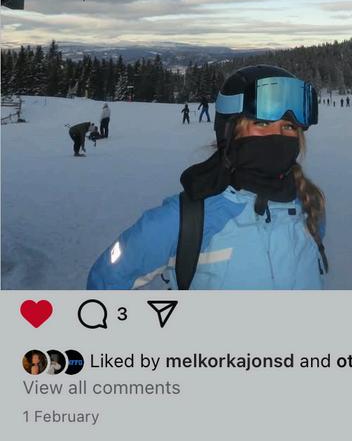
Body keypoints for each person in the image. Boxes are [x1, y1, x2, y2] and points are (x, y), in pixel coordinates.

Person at [87, 65, 327, 290]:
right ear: (230, 132)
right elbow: (105, 283)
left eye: (288, 127)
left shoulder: (309, 207)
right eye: (262, 123)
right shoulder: (186, 220)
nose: (278, 135)